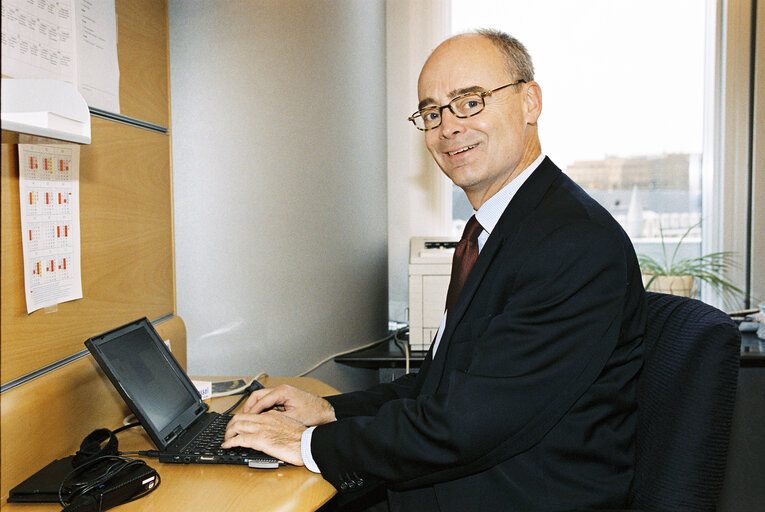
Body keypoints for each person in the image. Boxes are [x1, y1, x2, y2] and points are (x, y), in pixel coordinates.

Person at [223, 29, 646, 511]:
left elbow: (465, 426)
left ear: (530, 102)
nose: (447, 127)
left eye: (469, 102)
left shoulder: (572, 242)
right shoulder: (501, 229)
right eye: (431, 112)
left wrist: (304, 445)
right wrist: (328, 410)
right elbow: (439, 389)